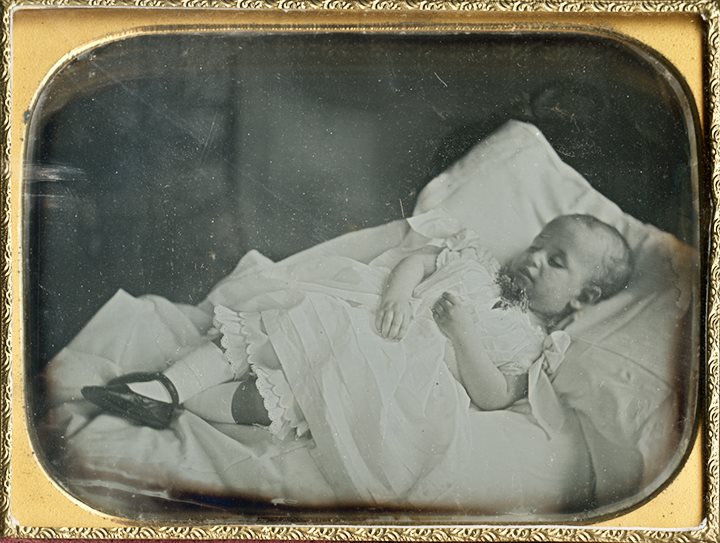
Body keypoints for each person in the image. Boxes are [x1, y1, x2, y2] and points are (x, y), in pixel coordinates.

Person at [81, 213, 633, 445]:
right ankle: (167, 385)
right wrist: (397, 293)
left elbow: (493, 395)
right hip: (363, 314)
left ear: (584, 297)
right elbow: (417, 261)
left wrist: (464, 336)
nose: (534, 259)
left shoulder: (534, 343)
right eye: (539, 245)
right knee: (270, 327)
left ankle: (175, 404)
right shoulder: (478, 264)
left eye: (556, 262)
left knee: (292, 396)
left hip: (389, 369)